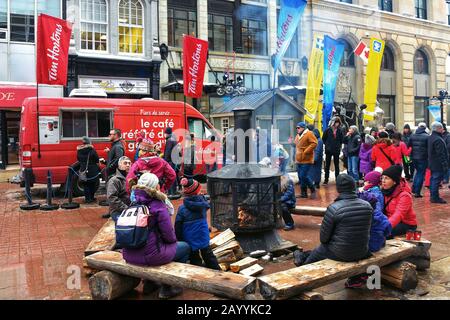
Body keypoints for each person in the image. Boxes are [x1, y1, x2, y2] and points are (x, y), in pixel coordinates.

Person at [123, 172, 191, 299]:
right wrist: (172, 241)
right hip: (150, 257)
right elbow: (169, 235)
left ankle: (150, 283)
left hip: (129, 254)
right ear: (156, 187)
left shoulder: (133, 201)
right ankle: (168, 287)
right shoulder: (158, 205)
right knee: (185, 247)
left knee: (154, 244)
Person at [293, 174, 372, 267]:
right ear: (354, 187)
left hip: (341, 253)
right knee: (319, 250)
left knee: (317, 253)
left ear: (338, 189)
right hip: (362, 251)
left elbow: (324, 238)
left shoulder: (334, 208)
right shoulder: (367, 206)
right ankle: (303, 256)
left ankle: (303, 265)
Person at [175, 178, 220, 270]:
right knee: (208, 255)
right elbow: (204, 202)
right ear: (198, 190)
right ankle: (218, 272)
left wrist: (179, 239)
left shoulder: (182, 209)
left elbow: (178, 226)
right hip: (203, 234)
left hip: (189, 238)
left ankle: (198, 274)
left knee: (194, 258)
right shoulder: (203, 204)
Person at [358, 171, 391, 253]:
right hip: (377, 241)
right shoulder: (372, 192)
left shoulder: (374, 195)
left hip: (371, 245)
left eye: (365, 181)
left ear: (369, 182)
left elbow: (377, 208)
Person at [381, 165, 417, 236]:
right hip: (389, 220)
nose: (383, 181)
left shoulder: (404, 195)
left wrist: (385, 226)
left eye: (387, 178)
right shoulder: (384, 191)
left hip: (405, 224)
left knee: (383, 233)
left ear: (394, 182)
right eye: (382, 178)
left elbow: (399, 214)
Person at [294, 122, 318, 199]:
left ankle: (313, 189)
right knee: (301, 177)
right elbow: (296, 144)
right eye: (296, 128)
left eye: (298, 128)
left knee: (303, 176)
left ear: (303, 128)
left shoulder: (309, 133)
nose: (297, 129)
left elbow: (314, 143)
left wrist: (306, 151)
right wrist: (292, 142)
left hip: (306, 159)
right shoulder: (298, 135)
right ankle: (303, 193)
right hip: (299, 159)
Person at [427, 122, 449, 204]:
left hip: (433, 163)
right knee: (435, 180)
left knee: (434, 179)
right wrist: (445, 165)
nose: (442, 129)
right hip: (437, 164)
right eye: (441, 128)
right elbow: (441, 154)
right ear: (438, 129)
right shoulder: (438, 139)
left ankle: (434, 196)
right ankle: (434, 197)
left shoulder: (431, 137)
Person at [407, 122, 429, 198]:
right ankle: (417, 192)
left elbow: (408, 145)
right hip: (423, 158)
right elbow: (429, 148)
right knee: (421, 174)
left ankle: (413, 189)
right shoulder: (427, 136)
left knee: (417, 173)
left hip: (414, 157)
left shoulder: (412, 136)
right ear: (425, 128)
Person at [76, 136, 100, 203]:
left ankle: (87, 199)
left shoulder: (79, 150)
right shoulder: (92, 150)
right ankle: (92, 198)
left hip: (83, 169)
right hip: (92, 169)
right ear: (89, 142)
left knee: (85, 185)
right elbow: (96, 159)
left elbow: (78, 159)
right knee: (92, 184)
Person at [322, 117, 344, 184]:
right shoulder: (328, 130)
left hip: (336, 150)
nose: (337, 124)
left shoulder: (340, 131)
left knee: (336, 165)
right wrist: (327, 145)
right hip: (328, 150)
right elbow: (323, 138)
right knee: (327, 165)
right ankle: (326, 179)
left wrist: (338, 146)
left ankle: (337, 179)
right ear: (333, 122)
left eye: (338, 122)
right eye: (336, 122)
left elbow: (341, 140)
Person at [163, 127, 180, 197]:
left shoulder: (169, 140)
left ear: (167, 133)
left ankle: (171, 192)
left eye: (165, 133)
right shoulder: (174, 139)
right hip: (174, 161)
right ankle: (174, 191)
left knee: (170, 176)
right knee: (173, 175)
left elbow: (168, 152)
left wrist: (165, 161)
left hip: (170, 161)